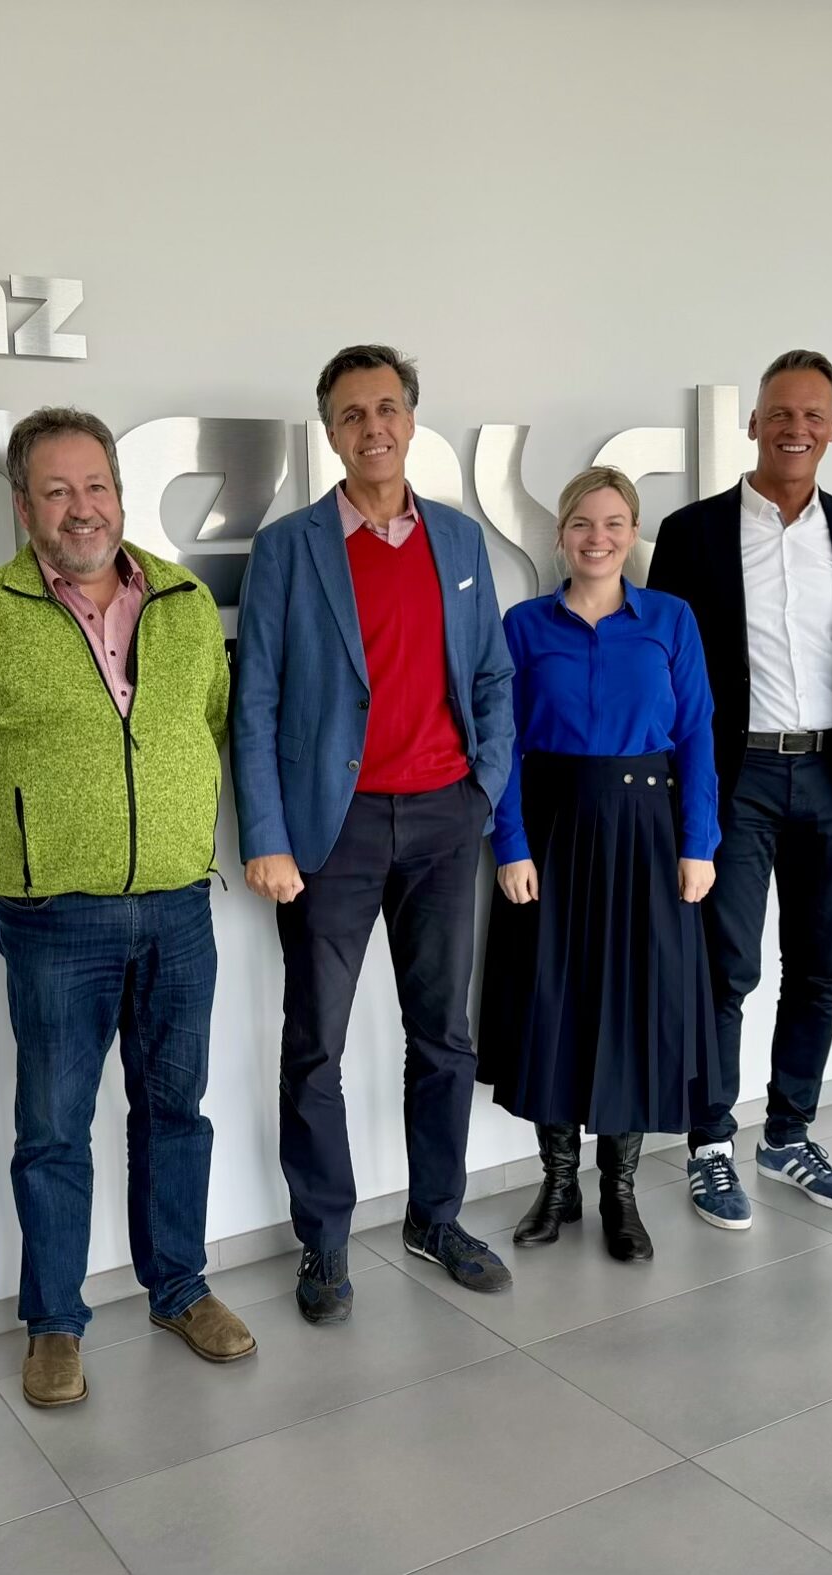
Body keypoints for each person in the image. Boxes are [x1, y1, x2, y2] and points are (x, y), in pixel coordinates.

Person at [0, 406, 254, 1410]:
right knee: (52, 1129)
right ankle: (54, 1321)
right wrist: (13, 835)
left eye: (93, 487)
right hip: (55, 921)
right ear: (22, 505)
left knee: (176, 1112)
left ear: (120, 497)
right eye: (56, 490)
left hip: (179, 906)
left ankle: (178, 1286)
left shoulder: (178, 602)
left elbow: (214, 723)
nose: (79, 508)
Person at [232, 344, 516, 1321]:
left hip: (444, 818)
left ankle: (436, 1217)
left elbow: (489, 676)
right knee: (314, 1041)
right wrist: (265, 833)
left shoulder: (459, 541)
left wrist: (481, 788)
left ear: (410, 419)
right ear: (330, 433)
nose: (373, 428)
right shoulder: (288, 548)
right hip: (331, 830)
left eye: (387, 408)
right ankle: (323, 1242)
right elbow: (256, 698)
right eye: (351, 414)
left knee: (442, 1033)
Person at [650, 349, 832, 1228]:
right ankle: (711, 1145)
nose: (797, 428)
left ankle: (789, 1132)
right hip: (740, 777)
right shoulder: (693, 533)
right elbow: (668, 678)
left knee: (819, 968)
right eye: (781, 412)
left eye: (814, 415)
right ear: (754, 422)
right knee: (724, 968)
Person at [478, 468, 722, 1262]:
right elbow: (502, 746)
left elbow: (696, 739)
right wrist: (508, 844)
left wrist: (699, 843)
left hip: (648, 831)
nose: (598, 538)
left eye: (614, 523)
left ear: (633, 532)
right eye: (583, 523)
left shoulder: (671, 620)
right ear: (560, 534)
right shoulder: (522, 625)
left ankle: (620, 1189)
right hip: (548, 830)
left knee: (633, 1002)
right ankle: (558, 1183)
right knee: (554, 998)